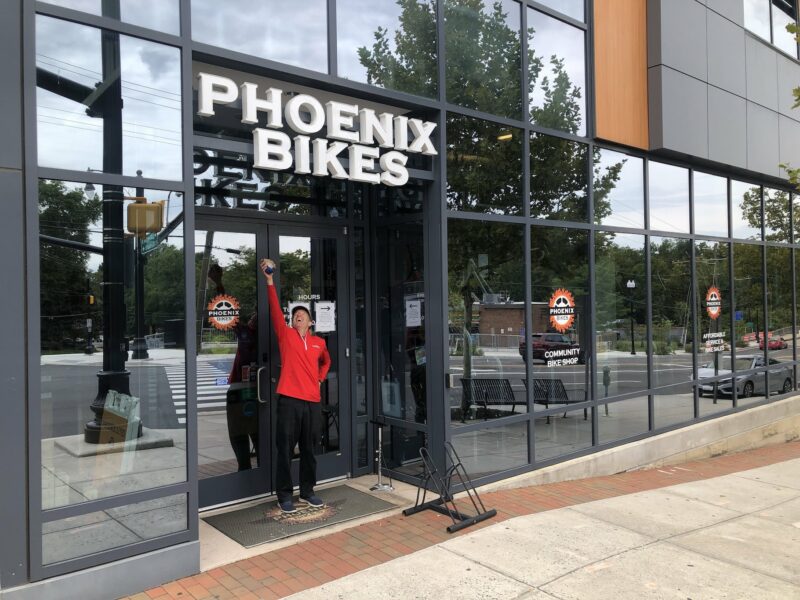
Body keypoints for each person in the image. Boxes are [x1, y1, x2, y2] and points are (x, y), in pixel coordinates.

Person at [261, 257, 331, 513]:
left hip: (312, 402)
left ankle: (308, 491)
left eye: (302, 316)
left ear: (310, 322)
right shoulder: (286, 335)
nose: (298, 318)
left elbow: (326, 362)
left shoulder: (318, 344)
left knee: (310, 449)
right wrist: (270, 280)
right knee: (285, 450)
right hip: (289, 400)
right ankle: (284, 495)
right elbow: (274, 308)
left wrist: (321, 377)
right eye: (295, 316)